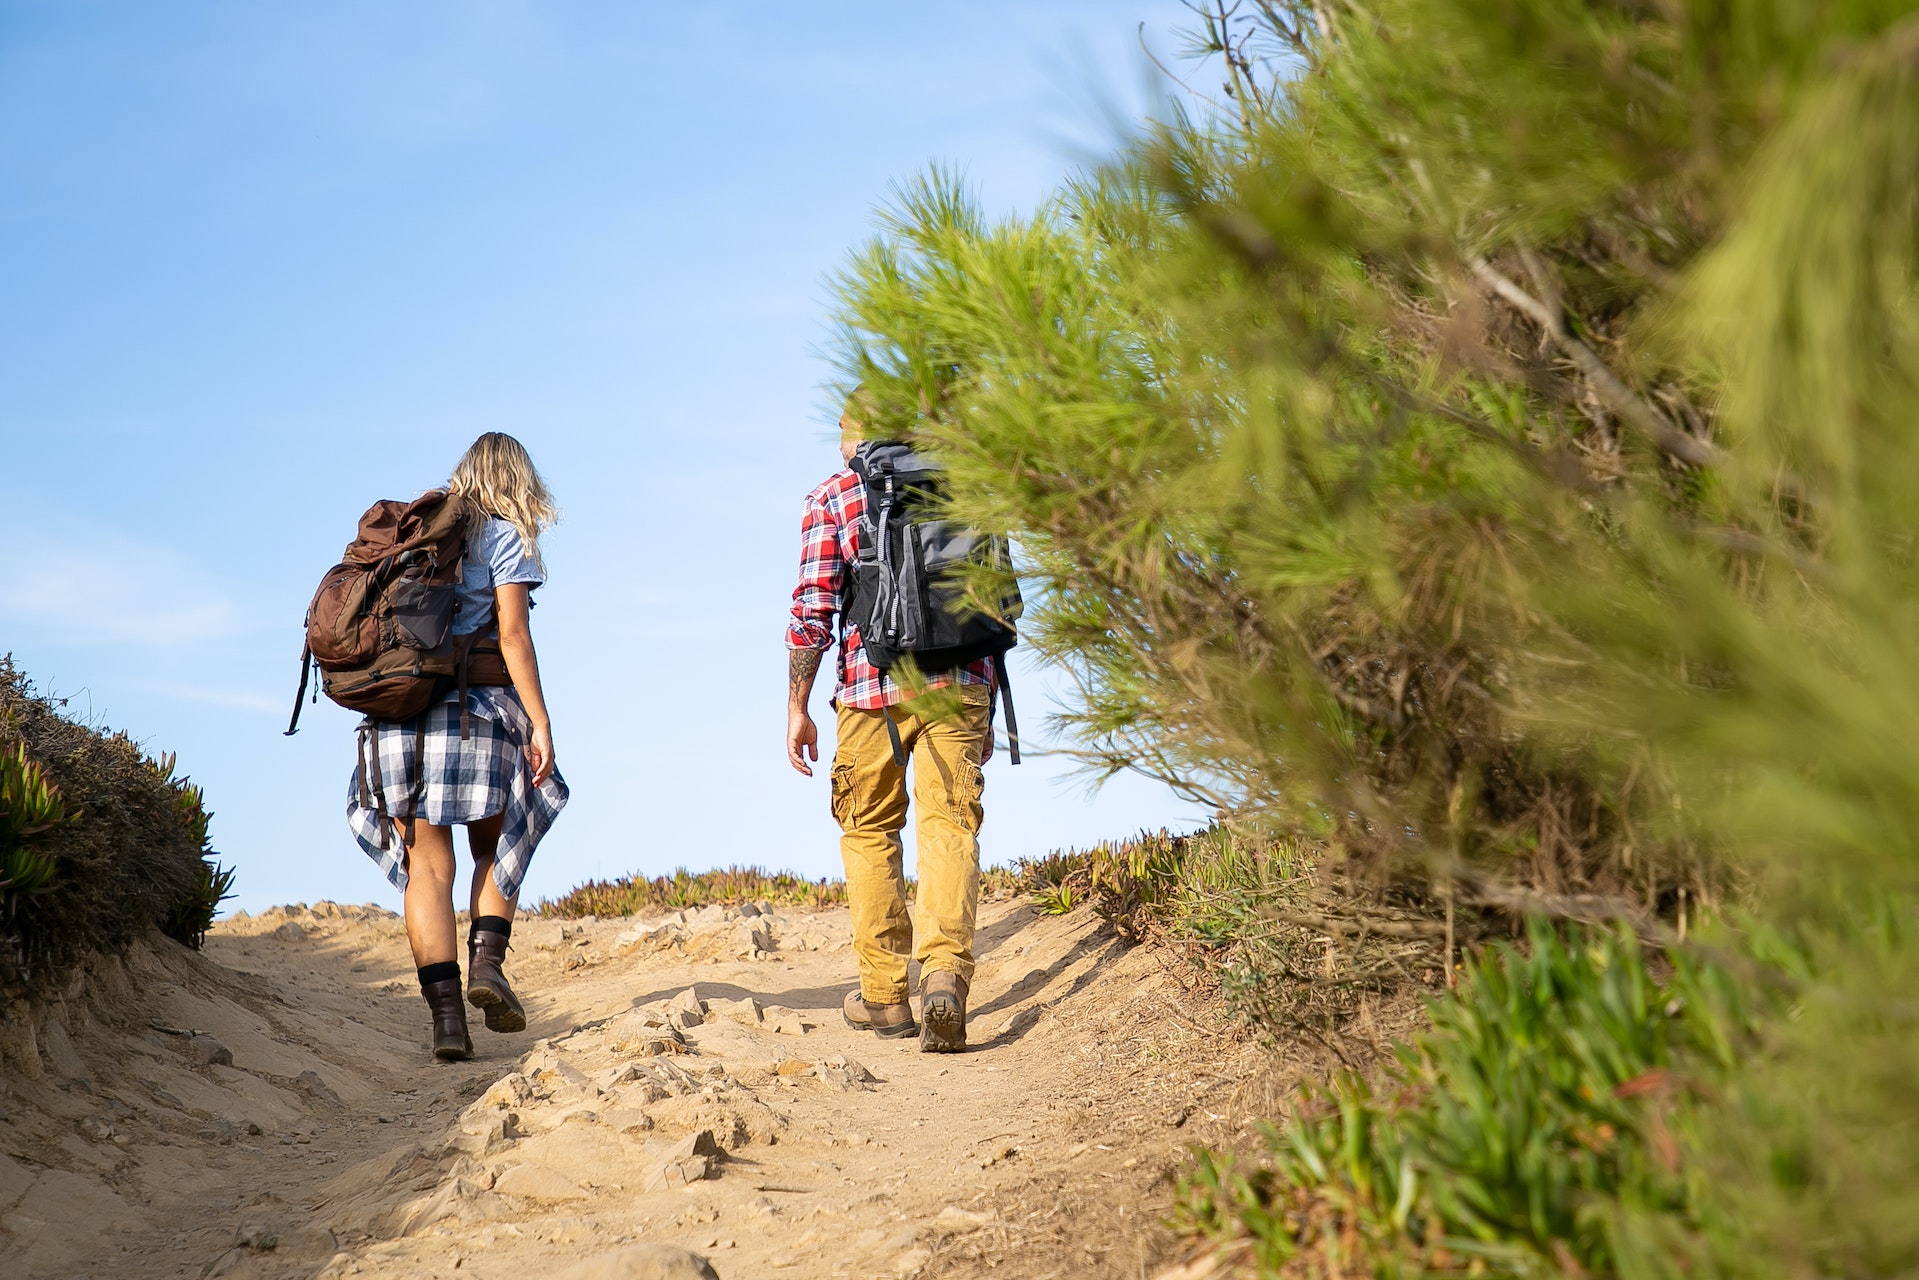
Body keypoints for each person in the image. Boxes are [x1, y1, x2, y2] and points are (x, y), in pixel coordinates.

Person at [346, 433, 567, 1061]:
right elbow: (513, 635)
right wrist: (541, 721)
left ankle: (446, 1023)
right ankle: (488, 965)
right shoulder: (505, 535)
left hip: (397, 715)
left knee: (427, 866)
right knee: (493, 844)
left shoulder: (417, 537)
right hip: (475, 714)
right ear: (520, 482)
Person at [785, 390, 994, 1053]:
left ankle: (882, 996)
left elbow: (811, 610)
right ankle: (943, 982)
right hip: (958, 680)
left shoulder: (833, 495)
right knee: (948, 823)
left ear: (855, 434)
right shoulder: (969, 489)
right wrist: (983, 700)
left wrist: (797, 705)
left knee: (869, 828)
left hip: (867, 688)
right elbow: (993, 600)